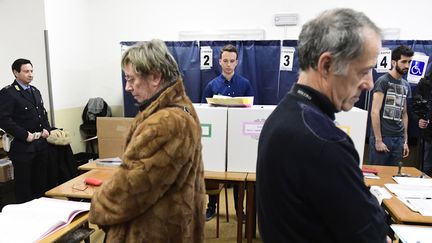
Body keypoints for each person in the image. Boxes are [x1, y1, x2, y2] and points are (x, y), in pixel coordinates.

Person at [256, 8, 389, 242]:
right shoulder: (324, 140)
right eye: (364, 71)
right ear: (327, 65)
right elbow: (370, 235)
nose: (369, 83)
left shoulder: (284, 114)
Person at [89, 39, 206, 242]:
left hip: (153, 232)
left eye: (131, 79)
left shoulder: (166, 122)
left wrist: (98, 204)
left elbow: (132, 189)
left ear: (155, 77)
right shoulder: (181, 107)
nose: (127, 87)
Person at [201, 44, 253, 221]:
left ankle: (240, 210)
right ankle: (211, 207)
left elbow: (251, 113)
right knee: (214, 171)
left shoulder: (245, 84)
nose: (229, 64)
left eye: (232, 61)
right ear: (219, 62)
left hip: (238, 139)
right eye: (225, 61)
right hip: (218, 139)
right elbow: (205, 113)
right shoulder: (211, 86)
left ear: (237, 62)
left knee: (239, 175)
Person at [0, 58, 51, 203]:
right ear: (16, 73)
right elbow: (4, 119)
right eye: (26, 71)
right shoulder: (8, 93)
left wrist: (47, 128)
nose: (30, 74)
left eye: (31, 71)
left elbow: (42, 113)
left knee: (40, 184)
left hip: (40, 145)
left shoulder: (35, 91)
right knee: (24, 187)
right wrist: (24, 135)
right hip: (23, 147)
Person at [369, 45, 413, 166]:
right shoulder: (383, 81)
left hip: (398, 139)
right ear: (394, 62)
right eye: (403, 62)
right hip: (383, 136)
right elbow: (374, 112)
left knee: (393, 178)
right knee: (376, 177)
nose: (407, 66)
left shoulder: (406, 85)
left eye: (409, 62)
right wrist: (378, 140)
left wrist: (405, 141)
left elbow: (404, 113)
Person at [413, 69, 432, 175]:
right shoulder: (425, 83)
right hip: (428, 134)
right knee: (425, 168)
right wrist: (419, 118)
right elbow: (416, 104)